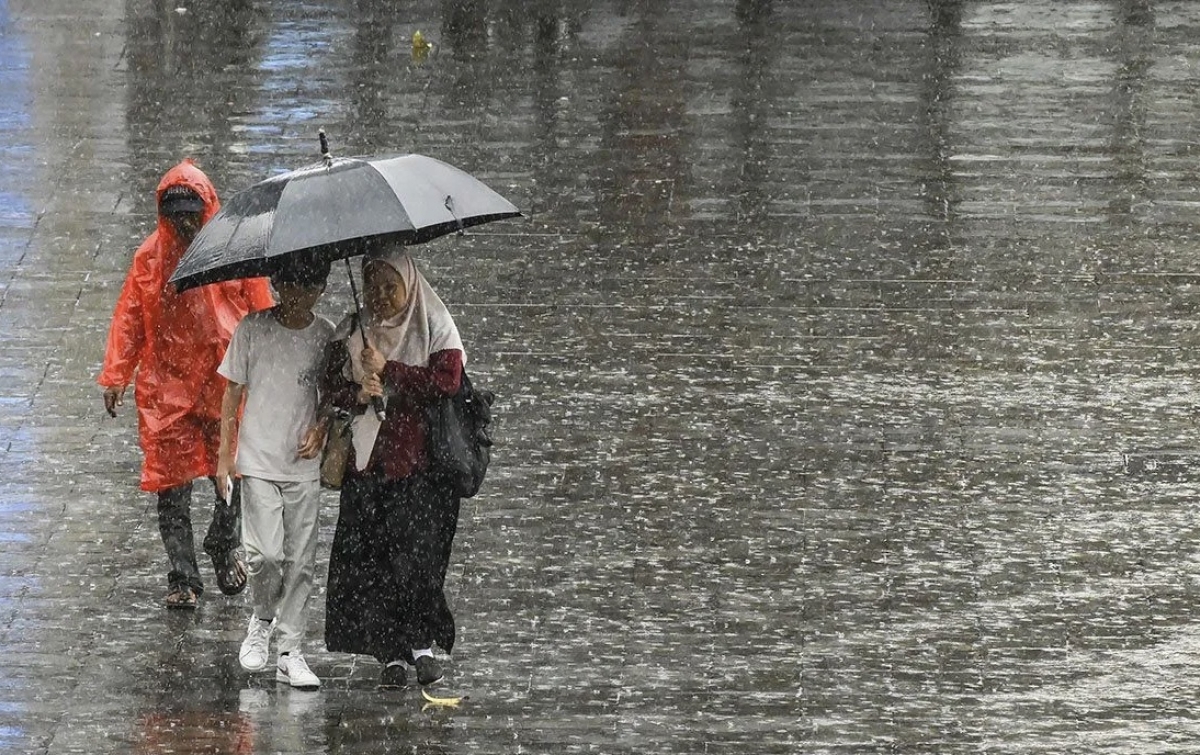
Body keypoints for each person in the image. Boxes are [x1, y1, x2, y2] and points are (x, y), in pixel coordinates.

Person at [98, 159, 275, 609]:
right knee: (171, 485)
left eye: (191, 214)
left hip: (222, 379)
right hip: (169, 386)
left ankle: (224, 540)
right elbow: (131, 317)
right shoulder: (151, 260)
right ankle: (183, 576)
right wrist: (117, 373)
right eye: (176, 216)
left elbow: (260, 306)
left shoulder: (231, 253)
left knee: (231, 469)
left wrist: (270, 364)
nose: (184, 224)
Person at [321, 248, 466, 689]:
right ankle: (390, 654)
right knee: (374, 560)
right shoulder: (353, 331)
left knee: (418, 559)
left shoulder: (434, 322)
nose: (381, 297)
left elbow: (447, 381)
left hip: (422, 467)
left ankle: (421, 644)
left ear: (409, 284)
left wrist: (394, 371)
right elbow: (330, 387)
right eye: (373, 287)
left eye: (391, 287)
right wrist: (360, 393)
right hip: (367, 468)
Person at [215, 255, 334, 691]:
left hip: (302, 466)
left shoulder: (325, 336)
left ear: (321, 289)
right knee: (265, 555)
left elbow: (331, 394)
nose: (300, 296)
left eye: (310, 287)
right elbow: (232, 392)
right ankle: (262, 616)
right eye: (292, 286)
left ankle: (290, 650)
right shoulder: (253, 329)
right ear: (278, 285)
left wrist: (320, 426)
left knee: (301, 560)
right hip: (259, 460)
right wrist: (225, 456)